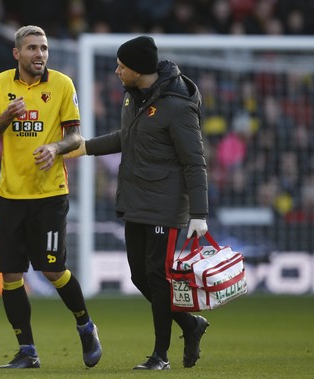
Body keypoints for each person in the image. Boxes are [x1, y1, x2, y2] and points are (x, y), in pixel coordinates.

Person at [66, 36, 210, 370]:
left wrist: (199, 213)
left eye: (122, 66)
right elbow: (125, 138)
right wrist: (84, 147)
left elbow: (194, 161)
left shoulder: (177, 105)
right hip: (136, 199)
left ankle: (160, 356)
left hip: (166, 203)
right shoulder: (134, 98)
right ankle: (190, 325)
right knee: (139, 277)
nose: (116, 71)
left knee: (158, 278)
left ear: (139, 70)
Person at [0, 25, 102, 369]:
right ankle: (27, 351)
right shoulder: (0, 84)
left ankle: (85, 325)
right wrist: (6, 116)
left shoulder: (62, 84)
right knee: (10, 275)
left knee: (52, 270)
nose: (40, 54)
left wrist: (54, 146)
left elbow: (76, 137)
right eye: (32, 48)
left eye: (44, 48)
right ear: (17, 54)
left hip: (50, 194)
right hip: (12, 194)